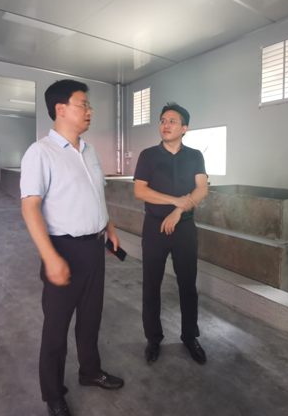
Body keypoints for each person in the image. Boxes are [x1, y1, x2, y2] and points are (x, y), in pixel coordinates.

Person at [20, 80, 124, 416]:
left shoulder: (89, 151)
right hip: (63, 249)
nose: (90, 111)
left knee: (91, 318)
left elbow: (96, 195)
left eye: (89, 105)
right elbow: (30, 207)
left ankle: (90, 371)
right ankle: (53, 395)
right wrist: (50, 257)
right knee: (56, 328)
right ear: (61, 109)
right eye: (83, 104)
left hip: (94, 248)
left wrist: (109, 228)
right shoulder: (41, 153)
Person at [133, 102, 209, 365]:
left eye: (172, 121)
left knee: (188, 285)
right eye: (163, 121)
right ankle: (153, 338)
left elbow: (202, 189)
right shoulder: (148, 156)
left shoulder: (195, 156)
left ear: (184, 128)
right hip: (154, 227)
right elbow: (140, 191)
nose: (166, 125)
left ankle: (190, 337)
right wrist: (175, 201)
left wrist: (178, 211)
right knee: (151, 284)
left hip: (184, 227)